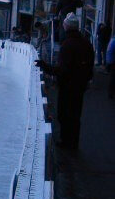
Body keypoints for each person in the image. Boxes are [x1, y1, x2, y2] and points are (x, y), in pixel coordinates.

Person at [35, 13, 94, 149]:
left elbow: (63, 69)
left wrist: (45, 66)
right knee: (75, 114)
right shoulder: (86, 43)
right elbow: (90, 64)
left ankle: (67, 143)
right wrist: (87, 80)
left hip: (68, 86)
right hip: (80, 86)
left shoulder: (68, 44)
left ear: (67, 27)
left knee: (64, 114)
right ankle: (73, 143)